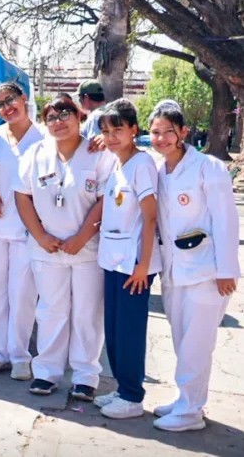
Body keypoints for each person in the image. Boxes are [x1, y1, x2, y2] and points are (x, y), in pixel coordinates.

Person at [147, 100, 240, 432]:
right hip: (173, 271)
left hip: (206, 272)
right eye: (155, 132)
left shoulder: (208, 167)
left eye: (167, 132)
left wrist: (227, 270)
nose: (160, 139)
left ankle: (190, 412)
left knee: (197, 343)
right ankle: (185, 398)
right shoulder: (159, 170)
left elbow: (226, 220)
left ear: (183, 132)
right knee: (181, 339)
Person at [14, 96, 113, 398]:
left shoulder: (98, 153)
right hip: (47, 249)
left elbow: (104, 198)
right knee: (51, 311)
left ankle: (85, 376)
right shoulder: (36, 154)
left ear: (80, 116)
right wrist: (41, 236)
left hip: (88, 250)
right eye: (52, 117)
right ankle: (47, 372)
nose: (59, 122)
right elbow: (22, 196)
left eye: (65, 114)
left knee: (87, 313)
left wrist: (83, 236)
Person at [91, 98, 163, 418]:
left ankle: (133, 396)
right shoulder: (117, 163)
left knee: (130, 330)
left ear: (134, 130)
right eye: (106, 131)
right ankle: (122, 388)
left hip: (134, 265)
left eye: (118, 129)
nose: (111, 137)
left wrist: (143, 265)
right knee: (115, 329)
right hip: (113, 260)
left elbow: (150, 218)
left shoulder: (142, 164)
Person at [0, 82, 43, 380]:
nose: (7, 107)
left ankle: (19, 355)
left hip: (27, 232)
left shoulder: (45, 137)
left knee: (22, 296)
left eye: (11, 100)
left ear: (24, 98)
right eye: (0, 104)